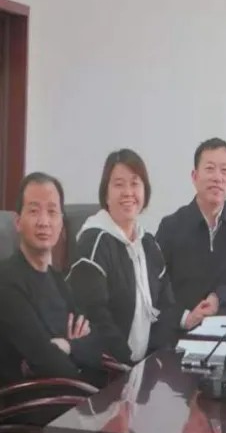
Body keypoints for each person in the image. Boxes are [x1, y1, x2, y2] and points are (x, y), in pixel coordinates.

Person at [68, 149, 193, 365]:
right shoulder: (93, 243)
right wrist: (129, 366)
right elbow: (95, 317)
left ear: (145, 191)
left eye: (135, 184)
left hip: (145, 368)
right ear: (106, 194)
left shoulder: (148, 244)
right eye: (119, 184)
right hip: (107, 370)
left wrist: (154, 360)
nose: (128, 192)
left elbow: (166, 306)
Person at [0, 173, 106, 386]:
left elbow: (95, 344)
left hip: (73, 393)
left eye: (52, 212)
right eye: (34, 211)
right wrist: (81, 365)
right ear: (18, 222)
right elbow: (45, 360)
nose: (44, 222)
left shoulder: (58, 280)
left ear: (61, 224)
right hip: (33, 401)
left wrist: (66, 346)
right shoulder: (6, 280)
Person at [157, 138, 226, 320]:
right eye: (210, 169)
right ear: (194, 177)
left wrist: (218, 298)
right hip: (186, 326)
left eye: (224, 170)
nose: (218, 178)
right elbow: (157, 289)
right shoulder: (171, 226)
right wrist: (184, 318)